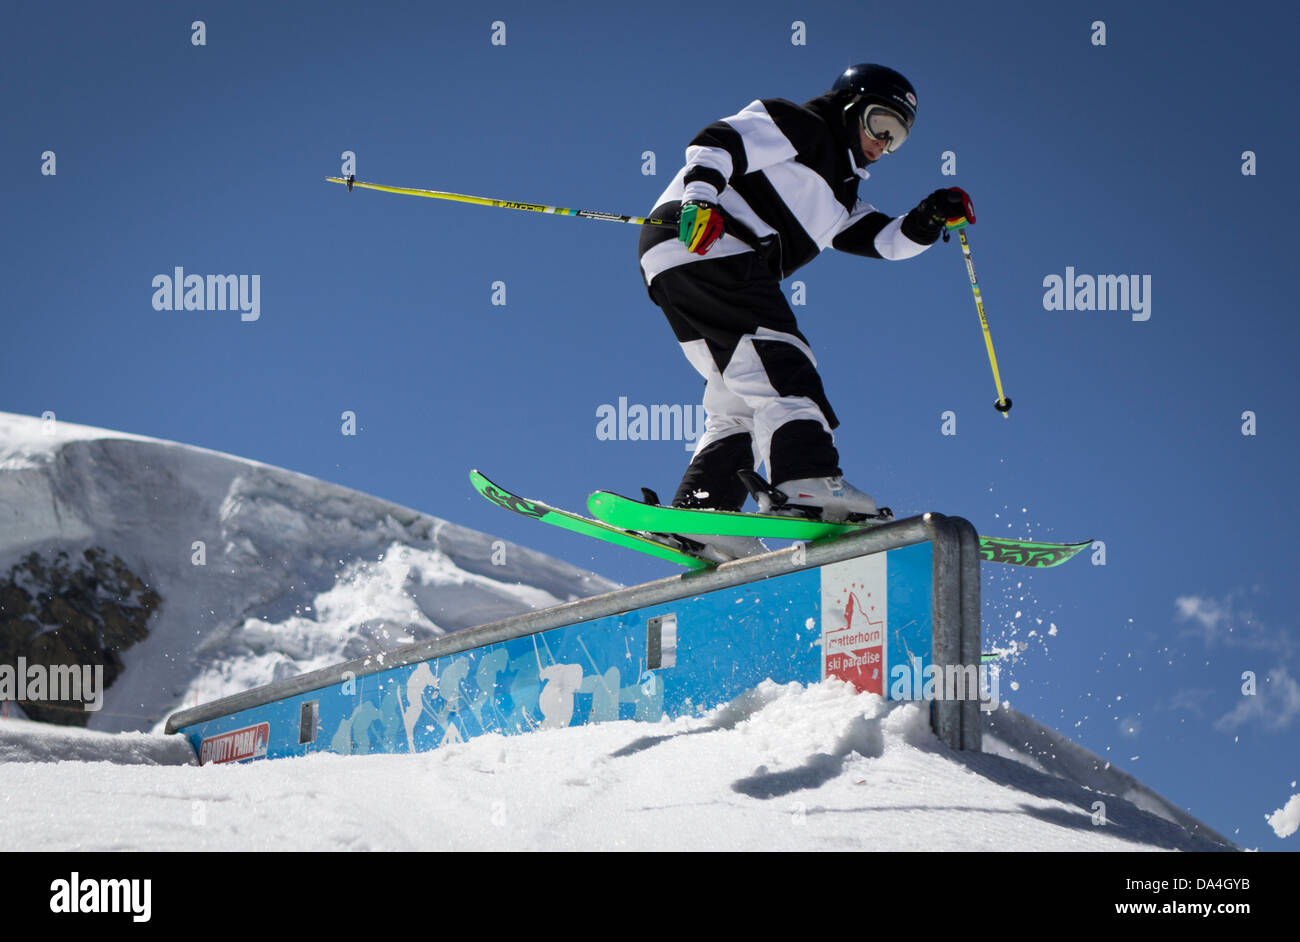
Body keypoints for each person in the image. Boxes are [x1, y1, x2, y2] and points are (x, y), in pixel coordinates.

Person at [636, 63, 972, 557]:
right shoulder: (802, 125)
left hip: (679, 262)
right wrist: (700, 198)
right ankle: (807, 481)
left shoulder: (840, 200)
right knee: (780, 358)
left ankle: (705, 514)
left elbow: (887, 241)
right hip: (704, 238)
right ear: (849, 105)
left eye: (897, 137)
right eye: (880, 123)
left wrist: (930, 216)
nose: (883, 142)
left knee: (741, 391)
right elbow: (717, 141)